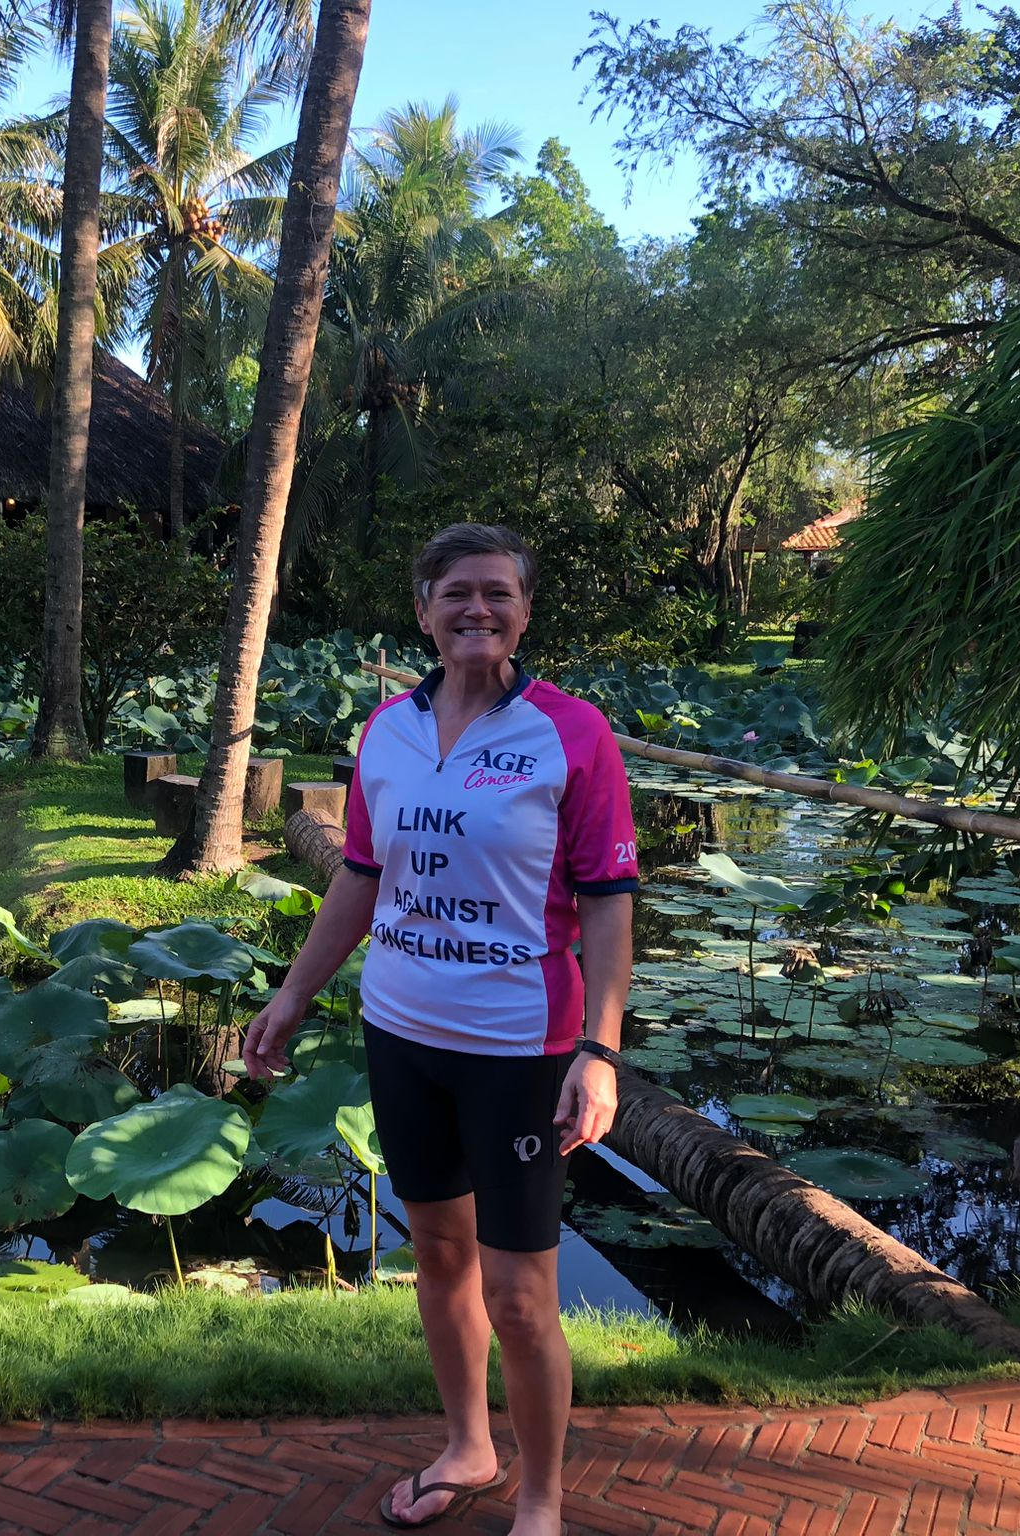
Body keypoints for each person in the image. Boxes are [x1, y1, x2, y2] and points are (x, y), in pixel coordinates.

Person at [243, 522, 637, 1536]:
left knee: (520, 1295)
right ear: (422, 612)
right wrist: (292, 995)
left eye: (498, 592)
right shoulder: (388, 731)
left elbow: (607, 903)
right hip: (402, 1032)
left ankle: (541, 1497)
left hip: (520, 1048)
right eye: (456, 592)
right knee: (438, 1255)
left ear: (524, 611)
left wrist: (599, 1051)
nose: (478, 609)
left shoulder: (571, 733)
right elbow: (359, 878)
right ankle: (468, 1445)